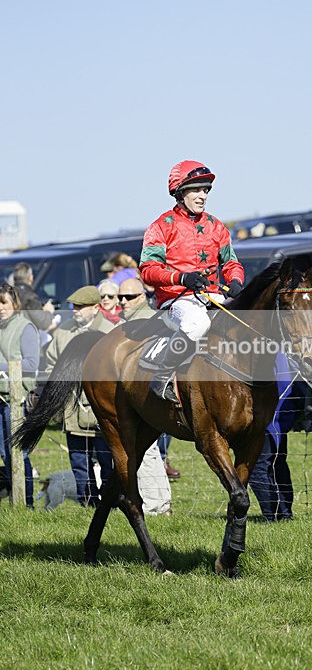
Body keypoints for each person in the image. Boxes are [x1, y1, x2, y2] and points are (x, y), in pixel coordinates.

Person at [139, 160, 244, 402]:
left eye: (206, 190)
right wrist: (181, 277)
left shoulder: (216, 226)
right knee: (197, 324)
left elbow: (231, 264)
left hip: (212, 296)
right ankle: (161, 377)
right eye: (196, 189)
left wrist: (236, 281)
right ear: (180, 192)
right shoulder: (160, 227)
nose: (202, 196)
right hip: (176, 301)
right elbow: (148, 270)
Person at [45, 285, 115, 506]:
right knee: (79, 462)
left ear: (96, 307)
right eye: (74, 306)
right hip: (72, 409)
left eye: (81, 306)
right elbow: (49, 366)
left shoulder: (113, 331)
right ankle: (89, 503)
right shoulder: (63, 333)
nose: (75, 310)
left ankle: (111, 504)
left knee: (108, 461)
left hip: (102, 410)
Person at [117, 277, 179, 497]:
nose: (123, 301)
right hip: (138, 400)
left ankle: (158, 503)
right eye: (120, 297)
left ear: (142, 297)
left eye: (129, 297)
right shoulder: (127, 322)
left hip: (152, 401)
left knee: (152, 456)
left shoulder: (147, 322)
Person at [248, 352, 302, 521]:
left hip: (267, 420)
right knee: (277, 463)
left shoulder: (266, 356)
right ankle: (284, 513)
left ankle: (273, 515)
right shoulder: (282, 354)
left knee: (257, 467)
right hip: (280, 420)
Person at [0, 283, 40, 507]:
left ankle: (27, 502)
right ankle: (15, 500)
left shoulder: (25, 327)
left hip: (16, 400)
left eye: (4, 302)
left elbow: (32, 363)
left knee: (19, 453)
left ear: (14, 303)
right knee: (5, 454)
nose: (0, 308)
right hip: (0, 398)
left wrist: (2, 365)